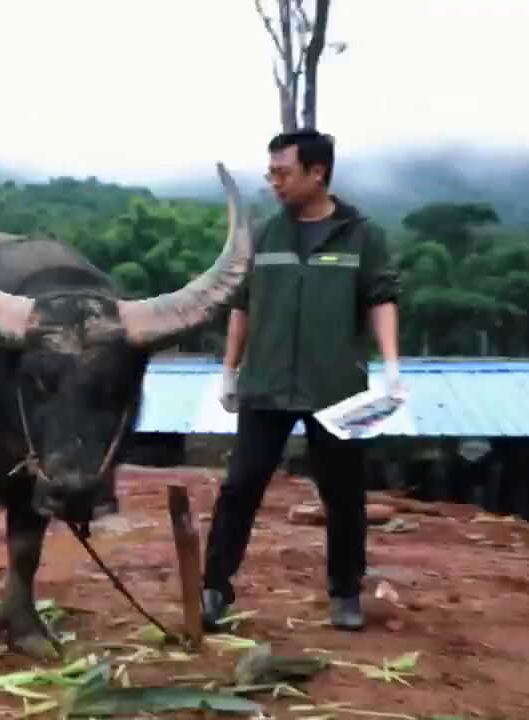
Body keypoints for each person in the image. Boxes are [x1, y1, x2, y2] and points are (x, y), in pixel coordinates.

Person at [202, 130, 403, 632]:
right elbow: (242, 305)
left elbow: (382, 298)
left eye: (283, 172)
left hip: (336, 389)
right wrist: (229, 370)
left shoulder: (362, 235)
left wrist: (393, 366)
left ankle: (345, 593)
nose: (274, 182)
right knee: (241, 486)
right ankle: (213, 587)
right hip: (266, 383)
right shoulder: (265, 235)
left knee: (343, 494)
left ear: (318, 172)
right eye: (270, 172)